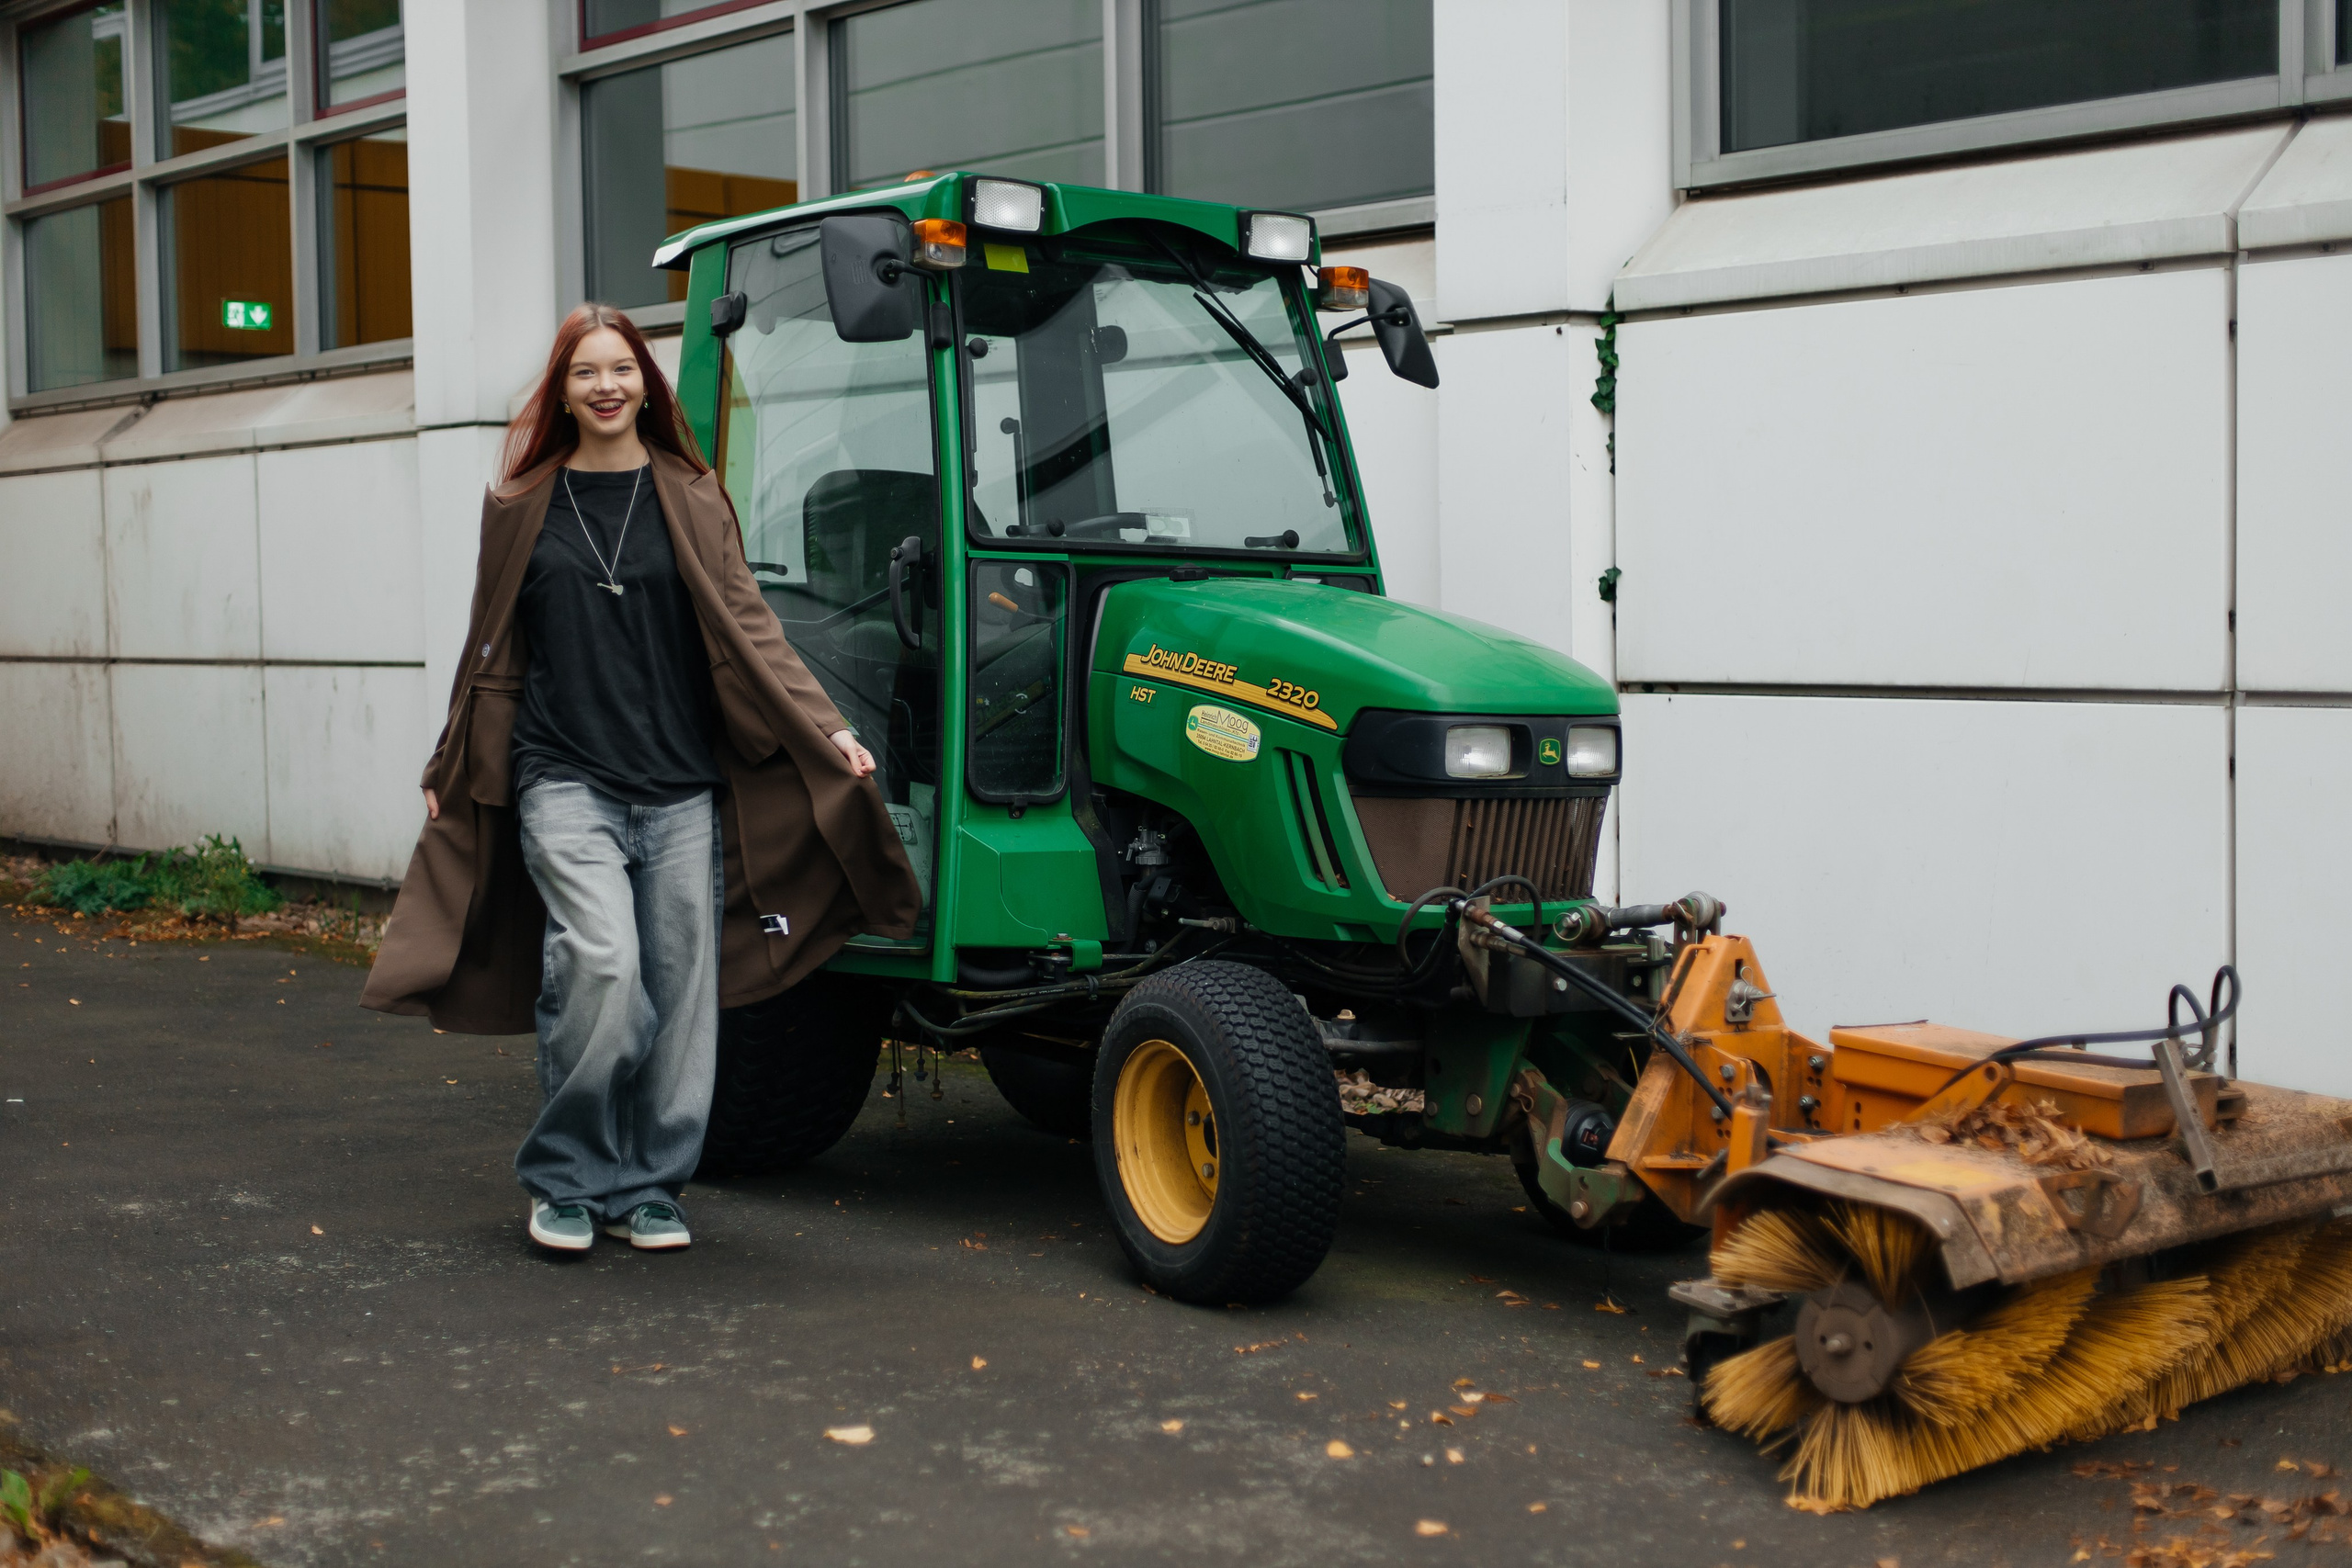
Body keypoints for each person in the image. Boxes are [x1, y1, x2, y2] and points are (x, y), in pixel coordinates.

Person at [362, 303, 922, 1254]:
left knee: (681, 990)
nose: (607, 385)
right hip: (563, 775)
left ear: (645, 386)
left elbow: (751, 624)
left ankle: (652, 1185)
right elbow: (489, 640)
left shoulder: (692, 496)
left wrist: (827, 725)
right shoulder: (521, 505)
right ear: (563, 392)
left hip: (679, 784)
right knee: (604, 968)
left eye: (621, 368)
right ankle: (568, 1178)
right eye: (586, 372)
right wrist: (448, 756)